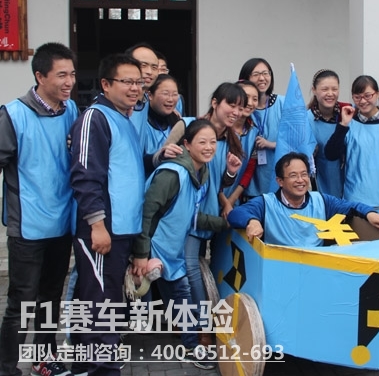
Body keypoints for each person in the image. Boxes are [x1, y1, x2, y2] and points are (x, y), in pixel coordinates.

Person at [132, 119, 239, 370]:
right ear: (187, 144)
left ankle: (191, 346)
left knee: (178, 297)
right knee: (137, 303)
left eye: (212, 142)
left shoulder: (200, 172)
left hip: (170, 251)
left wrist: (226, 223)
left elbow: (192, 217)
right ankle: (95, 346)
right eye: (202, 142)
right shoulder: (173, 173)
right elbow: (147, 213)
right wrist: (140, 254)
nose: (209, 147)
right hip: (153, 248)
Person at [0, 42, 78, 376]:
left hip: (61, 224)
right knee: (21, 302)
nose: (69, 81)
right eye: (61, 75)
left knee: (50, 298)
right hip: (27, 227)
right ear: (40, 76)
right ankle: (7, 368)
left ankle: (44, 359)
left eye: (72, 74)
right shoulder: (12, 115)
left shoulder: (71, 111)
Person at [69, 53, 146, 375]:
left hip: (121, 229)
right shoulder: (95, 118)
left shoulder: (123, 118)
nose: (135, 88)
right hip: (103, 230)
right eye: (127, 81)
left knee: (99, 300)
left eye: (139, 82)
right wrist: (96, 225)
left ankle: (83, 366)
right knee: (101, 306)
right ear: (105, 84)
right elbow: (86, 176)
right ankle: (101, 369)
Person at [227, 152, 379, 246]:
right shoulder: (266, 203)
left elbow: (350, 207)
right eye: (293, 175)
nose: (300, 180)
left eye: (304, 174)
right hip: (279, 268)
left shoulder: (321, 201)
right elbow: (234, 214)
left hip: (316, 269)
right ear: (280, 181)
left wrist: (369, 213)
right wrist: (252, 221)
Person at [325, 75, 379, 230]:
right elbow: (330, 154)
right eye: (357, 97)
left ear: (377, 94)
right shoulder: (349, 124)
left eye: (368, 95)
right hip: (355, 201)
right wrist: (343, 125)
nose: (363, 101)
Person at [238, 58, 284, 195]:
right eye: (256, 74)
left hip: (278, 178)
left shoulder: (283, 103)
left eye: (265, 73)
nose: (262, 78)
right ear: (246, 78)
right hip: (245, 183)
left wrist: (271, 144)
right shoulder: (240, 109)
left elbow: (297, 141)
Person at [306, 69, 351, 198]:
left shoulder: (347, 115)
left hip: (347, 183)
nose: (330, 93)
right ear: (314, 90)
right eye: (325, 89)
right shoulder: (306, 119)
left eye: (334, 89)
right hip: (318, 183)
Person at [220, 80, 260, 212]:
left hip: (235, 200)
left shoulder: (254, 132)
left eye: (255, 99)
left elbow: (249, 170)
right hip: (211, 196)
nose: (250, 103)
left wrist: (231, 201)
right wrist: (225, 203)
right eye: (246, 97)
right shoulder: (220, 129)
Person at [143, 74, 190, 174]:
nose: (170, 99)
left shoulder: (178, 122)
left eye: (174, 94)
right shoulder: (140, 123)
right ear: (150, 95)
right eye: (165, 94)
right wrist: (161, 156)